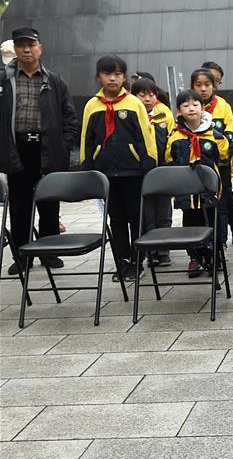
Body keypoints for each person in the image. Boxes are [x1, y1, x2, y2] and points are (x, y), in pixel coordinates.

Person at [0, 27, 77, 275]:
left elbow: (70, 117)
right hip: (17, 149)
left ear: (40, 48)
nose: (26, 49)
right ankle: (22, 257)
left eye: (31, 45)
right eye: (21, 45)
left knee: (49, 203)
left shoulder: (54, 80)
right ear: (16, 49)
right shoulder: (5, 79)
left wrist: (64, 145)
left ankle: (49, 252)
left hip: (46, 149)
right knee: (19, 205)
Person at [80, 55, 158, 281]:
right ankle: (121, 261)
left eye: (117, 74)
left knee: (136, 217)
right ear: (99, 77)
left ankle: (137, 260)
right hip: (106, 174)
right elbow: (86, 137)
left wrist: (148, 163)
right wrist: (89, 166)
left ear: (124, 77)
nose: (112, 78)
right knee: (115, 218)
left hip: (133, 171)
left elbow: (146, 135)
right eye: (107, 74)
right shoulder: (91, 106)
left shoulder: (134, 103)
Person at [166, 90, 231, 278]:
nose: (191, 108)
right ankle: (195, 258)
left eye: (195, 104)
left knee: (212, 221)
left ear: (202, 108)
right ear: (178, 111)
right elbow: (170, 158)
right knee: (191, 222)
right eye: (185, 105)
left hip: (208, 190)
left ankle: (214, 255)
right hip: (186, 191)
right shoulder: (176, 136)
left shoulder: (214, 135)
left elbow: (224, 155)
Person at [132, 74, 175, 267]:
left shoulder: (164, 112)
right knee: (147, 214)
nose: (147, 99)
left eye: (151, 94)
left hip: (164, 171)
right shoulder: (133, 112)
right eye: (142, 95)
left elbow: (172, 138)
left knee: (164, 213)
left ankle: (164, 251)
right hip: (141, 173)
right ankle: (151, 251)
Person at [193, 68, 233, 250]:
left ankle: (222, 242)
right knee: (200, 205)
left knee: (222, 200)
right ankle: (201, 247)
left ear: (214, 86)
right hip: (197, 164)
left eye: (207, 85)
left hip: (220, 163)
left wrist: (221, 155)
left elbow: (229, 132)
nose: (203, 89)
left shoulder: (223, 106)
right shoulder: (189, 105)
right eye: (198, 85)